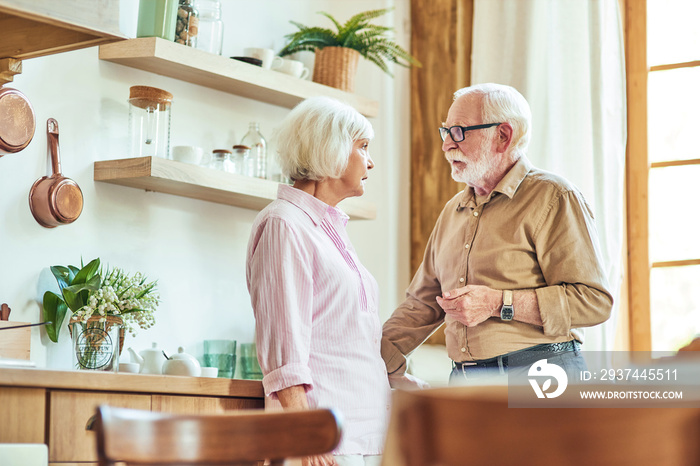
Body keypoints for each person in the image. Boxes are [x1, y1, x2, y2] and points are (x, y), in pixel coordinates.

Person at [381, 83, 613, 385]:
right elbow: (423, 305)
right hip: (464, 383)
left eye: (460, 132)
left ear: (503, 136)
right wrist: (369, 358)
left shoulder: (554, 196)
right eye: (446, 132)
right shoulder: (453, 210)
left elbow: (594, 301)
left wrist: (498, 303)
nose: (447, 145)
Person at [246, 96, 390, 466]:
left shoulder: (328, 229)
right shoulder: (285, 222)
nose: (370, 161)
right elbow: (283, 341)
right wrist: (304, 434)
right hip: (324, 438)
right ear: (331, 149)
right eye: (363, 147)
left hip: (364, 432)